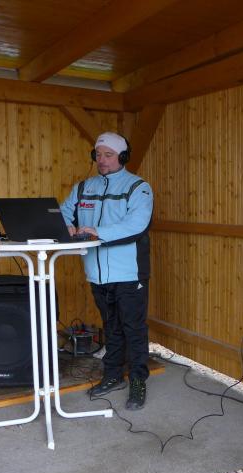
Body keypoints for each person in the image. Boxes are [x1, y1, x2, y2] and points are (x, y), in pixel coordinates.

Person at [61, 132, 153, 410]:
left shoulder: (138, 187)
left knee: (133, 329)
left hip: (129, 274)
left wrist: (96, 231)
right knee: (111, 327)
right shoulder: (83, 188)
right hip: (96, 274)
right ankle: (112, 375)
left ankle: (137, 381)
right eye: (98, 155)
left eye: (108, 155)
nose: (101, 160)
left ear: (122, 157)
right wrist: (66, 227)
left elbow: (136, 225)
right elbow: (63, 212)